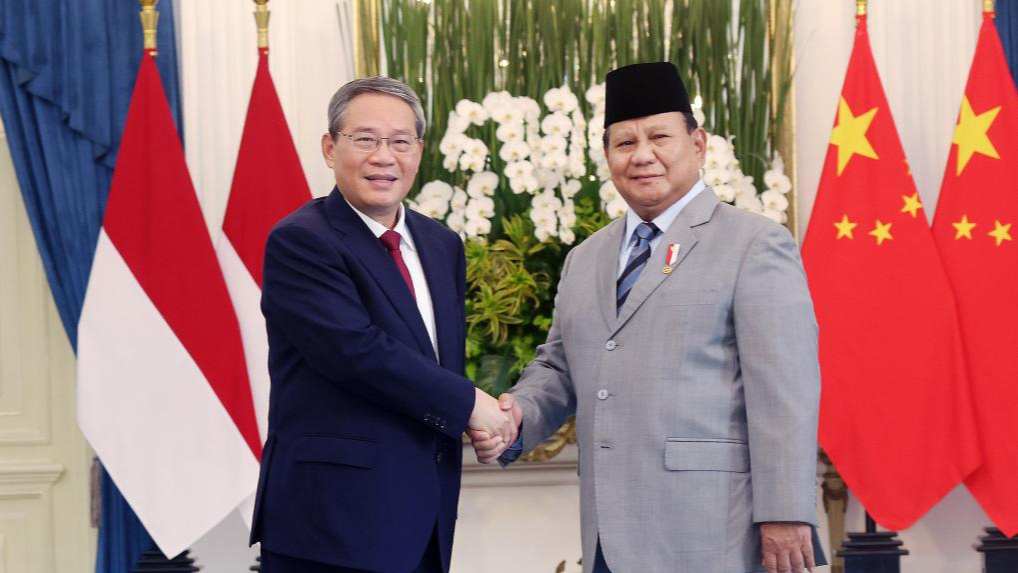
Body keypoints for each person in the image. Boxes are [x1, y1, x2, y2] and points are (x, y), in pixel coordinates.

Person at [470, 62, 826, 573]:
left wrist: (786, 512)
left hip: (716, 532)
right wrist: (515, 417)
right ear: (608, 155)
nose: (642, 155)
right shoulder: (585, 258)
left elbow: (784, 390)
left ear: (698, 144)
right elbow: (559, 367)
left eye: (660, 136)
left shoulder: (753, 244)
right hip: (607, 535)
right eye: (624, 142)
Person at [250, 77, 515, 573]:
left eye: (400, 141)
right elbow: (355, 352)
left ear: (419, 150)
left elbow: (435, 362)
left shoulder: (442, 245)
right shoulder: (300, 241)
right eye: (365, 139)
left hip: (425, 518)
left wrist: (473, 415)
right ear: (330, 148)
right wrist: (470, 405)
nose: (383, 156)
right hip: (330, 525)